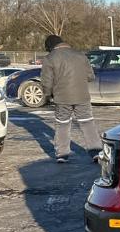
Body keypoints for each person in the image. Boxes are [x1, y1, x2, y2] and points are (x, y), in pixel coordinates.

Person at [40, 34, 102, 163]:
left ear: (50, 47)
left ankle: (62, 154)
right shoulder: (80, 55)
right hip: (82, 96)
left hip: (61, 98)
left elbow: (46, 81)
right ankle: (96, 151)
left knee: (62, 124)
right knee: (87, 123)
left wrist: (47, 95)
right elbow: (91, 76)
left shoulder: (49, 58)